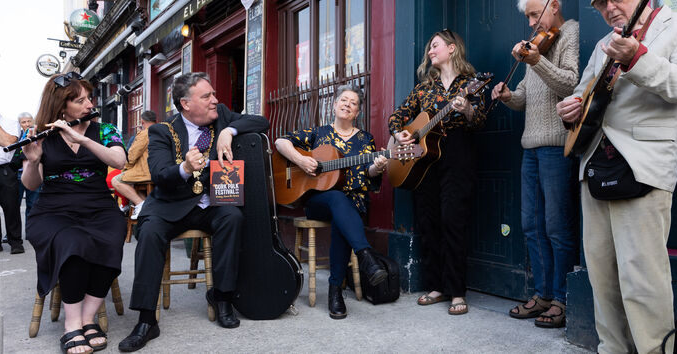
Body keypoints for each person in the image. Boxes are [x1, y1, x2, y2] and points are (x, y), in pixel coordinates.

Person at [555, 0, 677, 354]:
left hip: (642, 167)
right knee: (602, 280)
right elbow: (586, 91)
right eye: (601, 4)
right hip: (595, 166)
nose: (610, 9)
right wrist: (572, 105)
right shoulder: (604, 44)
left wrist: (638, 57)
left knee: (644, 281)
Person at [119, 72, 269, 352]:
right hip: (171, 205)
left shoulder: (222, 116)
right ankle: (146, 319)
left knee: (232, 217)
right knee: (148, 231)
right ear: (186, 104)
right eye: (207, 96)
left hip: (211, 204)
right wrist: (185, 168)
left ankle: (222, 297)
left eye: (213, 94)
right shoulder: (162, 131)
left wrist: (229, 131)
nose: (215, 100)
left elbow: (261, 121)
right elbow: (161, 174)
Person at [491, 0, 580, 328]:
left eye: (533, 14)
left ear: (553, 6)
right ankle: (542, 294)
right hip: (531, 146)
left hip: (557, 145)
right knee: (531, 225)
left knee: (557, 225)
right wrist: (508, 95)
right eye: (528, 16)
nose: (530, 22)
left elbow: (570, 84)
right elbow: (527, 97)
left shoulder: (569, 32)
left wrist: (537, 59)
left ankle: (562, 297)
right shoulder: (535, 48)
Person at [22, 72, 128, 353]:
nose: (89, 104)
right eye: (80, 101)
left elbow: (120, 160)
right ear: (61, 106)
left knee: (113, 234)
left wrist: (81, 139)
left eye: (89, 98)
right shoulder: (42, 135)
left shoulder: (104, 131)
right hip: (53, 211)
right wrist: (33, 161)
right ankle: (72, 325)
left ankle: (88, 318)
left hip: (98, 205)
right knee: (72, 241)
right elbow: (32, 184)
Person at [389, 29, 488, 316]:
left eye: (435, 46)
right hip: (424, 161)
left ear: (453, 48)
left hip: (457, 154)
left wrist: (466, 107)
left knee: (453, 219)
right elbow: (396, 117)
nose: (430, 52)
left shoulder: (471, 83)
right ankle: (436, 285)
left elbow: (479, 119)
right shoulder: (423, 89)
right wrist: (400, 135)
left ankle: (456, 290)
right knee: (429, 219)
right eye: (429, 48)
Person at [275, 84, 389, 320]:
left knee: (342, 214)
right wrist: (301, 161)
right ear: (335, 105)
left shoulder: (365, 139)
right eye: (343, 100)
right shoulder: (318, 134)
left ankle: (335, 291)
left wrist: (377, 168)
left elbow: (368, 173)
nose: (347, 104)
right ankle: (366, 255)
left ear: (357, 112)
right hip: (319, 201)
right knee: (337, 199)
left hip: (352, 201)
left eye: (353, 102)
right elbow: (280, 142)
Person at [111, 110, 157, 220]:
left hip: (146, 172)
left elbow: (132, 155)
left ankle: (140, 204)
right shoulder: (164, 130)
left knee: (116, 180)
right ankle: (144, 205)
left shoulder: (145, 133)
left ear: (142, 121)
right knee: (132, 184)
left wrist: (125, 168)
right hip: (159, 170)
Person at [0, 111, 22, 254]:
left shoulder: (11, 122)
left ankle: (15, 242)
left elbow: (8, 142)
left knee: (11, 207)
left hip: (4, 170)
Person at [17, 112, 41, 222]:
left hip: (34, 172)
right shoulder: (16, 136)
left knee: (33, 204)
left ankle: (30, 231)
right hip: (18, 174)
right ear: (20, 124)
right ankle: (12, 233)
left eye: (29, 121)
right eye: (23, 122)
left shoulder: (39, 135)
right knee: (14, 205)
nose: (27, 124)